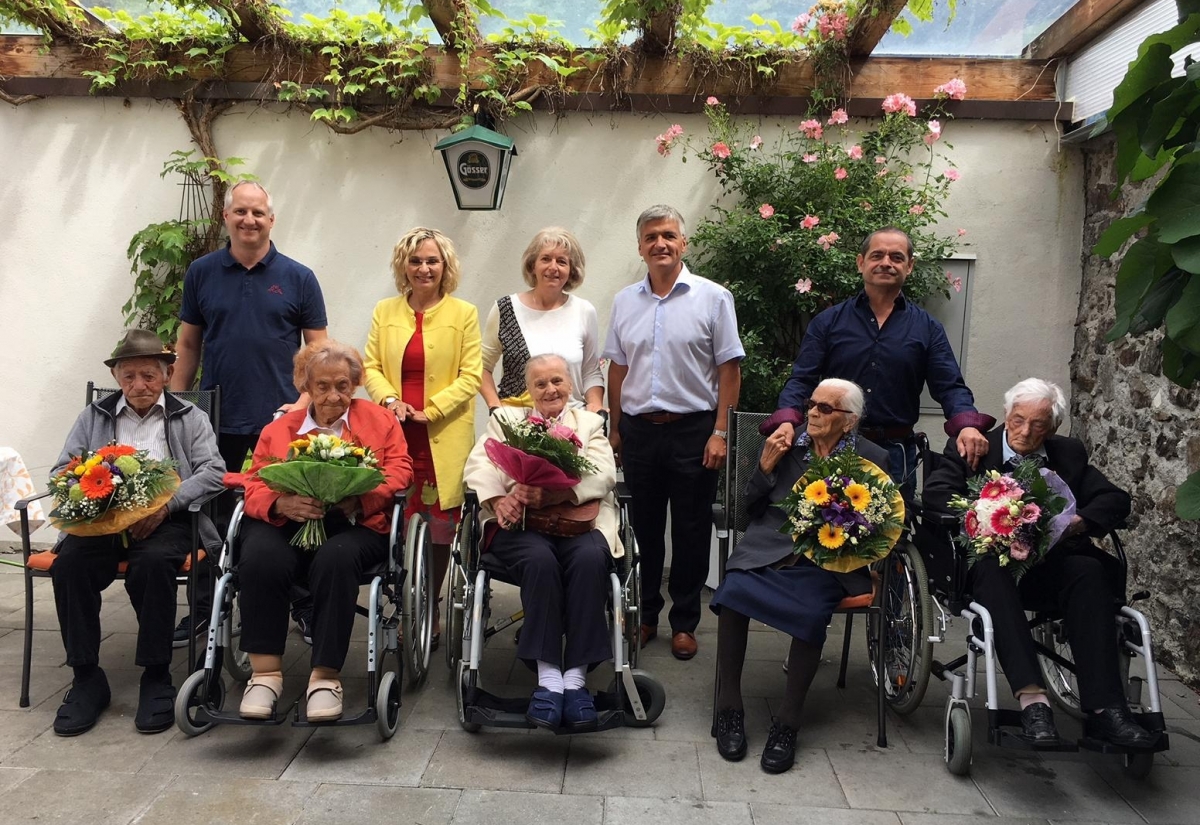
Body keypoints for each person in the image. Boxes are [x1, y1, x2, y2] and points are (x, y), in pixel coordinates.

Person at [922, 378, 1157, 748]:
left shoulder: (1068, 454)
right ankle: (1034, 703)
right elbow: (935, 495)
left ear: (1054, 428)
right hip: (992, 569)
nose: (1025, 432)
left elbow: (1114, 498)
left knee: (1090, 571)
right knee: (994, 572)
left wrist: (1077, 522)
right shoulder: (973, 449)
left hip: (1048, 567)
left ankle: (1106, 710)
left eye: (1038, 425)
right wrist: (982, 512)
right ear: (1006, 414)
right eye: (1017, 420)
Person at [171, 179, 329, 646]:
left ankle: (301, 604)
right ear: (226, 217)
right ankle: (205, 609)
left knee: (288, 516)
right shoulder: (202, 272)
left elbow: (317, 351)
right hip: (214, 420)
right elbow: (187, 345)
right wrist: (175, 409)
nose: (249, 220)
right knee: (206, 517)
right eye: (241, 211)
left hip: (280, 424)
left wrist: (303, 405)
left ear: (271, 220)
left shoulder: (299, 277)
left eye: (258, 213)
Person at [47, 329, 225, 736]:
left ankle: (156, 675)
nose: (138, 385)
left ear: (167, 374)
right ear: (118, 379)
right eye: (128, 377)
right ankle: (86, 678)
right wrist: (92, 490)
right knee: (70, 565)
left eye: (148, 375)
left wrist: (167, 505)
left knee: (154, 563)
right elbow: (62, 470)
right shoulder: (94, 416)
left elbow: (213, 471)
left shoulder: (189, 417)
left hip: (168, 519)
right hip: (102, 519)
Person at [710, 378, 888, 773]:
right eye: (811, 404)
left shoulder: (873, 459)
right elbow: (747, 510)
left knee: (810, 613)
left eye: (825, 408)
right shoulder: (784, 445)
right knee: (733, 590)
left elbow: (885, 523)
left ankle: (787, 724)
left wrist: (848, 537)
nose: (811, 413)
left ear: (850, 420)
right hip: (768, 549)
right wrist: (765, 466)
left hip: (827, 561)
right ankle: (728, 708)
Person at [235, 340, 412, 722]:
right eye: (323, 386)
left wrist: (360, 498)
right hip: (290, 520)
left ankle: (325, 677)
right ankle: (265, 674)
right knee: (260, 554)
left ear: (355, 384)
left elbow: (400, 470)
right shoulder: (280, 429)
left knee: (336, 557)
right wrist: (281, 504)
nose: (334, 396)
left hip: (355, 524)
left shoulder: (380, 422)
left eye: (343, 385)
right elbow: (253, 481)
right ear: (306, 386)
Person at [603, 204, 744, 661]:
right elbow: (618, 369)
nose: (660, 243)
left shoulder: (713, 297)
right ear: (640, 247)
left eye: (668, 235)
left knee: (690, 529)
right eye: (651, 237)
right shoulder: (625, 301)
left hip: (694, 431)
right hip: (640, 432)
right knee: (641, 530)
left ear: (683, 243)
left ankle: (684, 622)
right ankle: (644, 615)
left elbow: (729, 371)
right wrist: (616, 427)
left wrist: (720, 431)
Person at [761, 227, 992, 498]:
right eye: (877, 255)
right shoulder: (828, 322)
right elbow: (802, 379)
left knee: (893, 537)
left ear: (910, 266)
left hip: (895, 454)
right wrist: (788, 420)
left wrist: (966, 424)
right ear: (861, 263)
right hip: (830, 447)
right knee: (825, 532)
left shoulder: (927, 328)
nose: (886, 263)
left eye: (896, 257)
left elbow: (950, 386)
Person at [463, 354, 619, 731]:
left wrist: (558, 495)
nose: (550, 390)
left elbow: (604, 473)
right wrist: (498, 499)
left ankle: (576, 680)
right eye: (541, 384)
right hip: (521, 526)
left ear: (571, 385)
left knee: (590, 560)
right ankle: (549, 679)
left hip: (576, 522)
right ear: (528, 390)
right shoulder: (506, 421)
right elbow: (479, 466)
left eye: (557, 381)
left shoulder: (589, 423)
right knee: (539, 561)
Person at [364, 227, 481, 650]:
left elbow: (471, 376)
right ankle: (401, 598)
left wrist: (429, 410)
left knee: (437, 530)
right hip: (395, 435)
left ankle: (428, 608)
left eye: (432, 260)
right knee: (396, 519)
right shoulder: (385, 310)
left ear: (445, 266)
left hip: (441, 435)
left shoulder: (463, 313)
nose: (424, 268)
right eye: (416, 261)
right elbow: (370, 366)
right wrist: (390, 399)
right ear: (403, 266)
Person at [480, 227, 604, 412]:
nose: (553, 267)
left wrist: (595, 406)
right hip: (518, 425)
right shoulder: (506, 309)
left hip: (572, 424)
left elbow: (591, 371)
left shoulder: (584, 311)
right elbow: (481, 366)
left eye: (562, 261)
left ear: (571, 270)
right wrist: (495, 406)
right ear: (532, 265)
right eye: (546, 259)